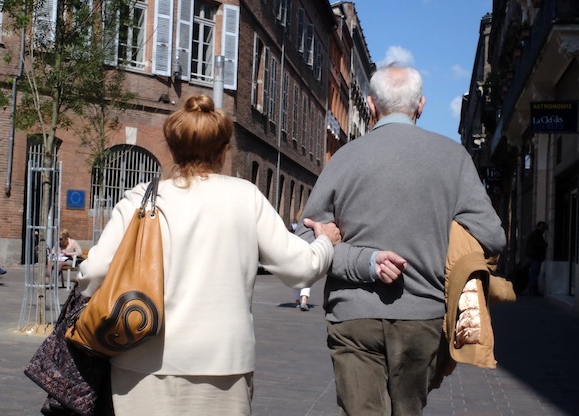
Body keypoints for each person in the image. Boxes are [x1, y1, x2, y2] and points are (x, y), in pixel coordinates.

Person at [77, 94, 342, 416]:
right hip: (223, 361)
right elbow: (302, 268)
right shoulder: (245, 197)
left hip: (140, 357)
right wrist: (325, 241)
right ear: (223, 150)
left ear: (172, 148)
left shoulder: (139, 198)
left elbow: (94, 272)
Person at [296, 65, 506, 416]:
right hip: (423, 317)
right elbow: (492, 236)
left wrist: (356, 258)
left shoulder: (344, 158)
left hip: (353, 315)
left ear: (371, 105)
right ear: (420, 105)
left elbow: (306, 237)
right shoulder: (453, 158)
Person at [525, 221, 547, 295]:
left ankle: (532, 290)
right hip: (535, 257)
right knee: (534, 274)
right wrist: (544, 244)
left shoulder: (534, 234)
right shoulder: (536, 235)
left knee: (533, 274)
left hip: (534, 257)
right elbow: (537, 245)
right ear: (539, 227)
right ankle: (533, 290)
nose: (543, 230)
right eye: (542, 227)